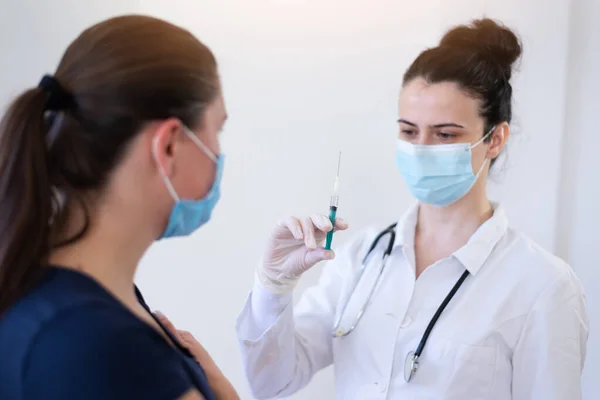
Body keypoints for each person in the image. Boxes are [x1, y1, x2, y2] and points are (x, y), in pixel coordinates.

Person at [235, 18, 589, 399]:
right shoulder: (362, 257)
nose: (421, 148)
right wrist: (273, 286)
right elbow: (272, 381)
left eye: (445, 134)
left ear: (495, 139)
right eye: (408, 131)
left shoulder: (543, 286)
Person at [0, 15, 238, 400]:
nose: (219, 155)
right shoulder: (104, 349)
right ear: (170, 146)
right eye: (218, 130)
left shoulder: (54, 296)